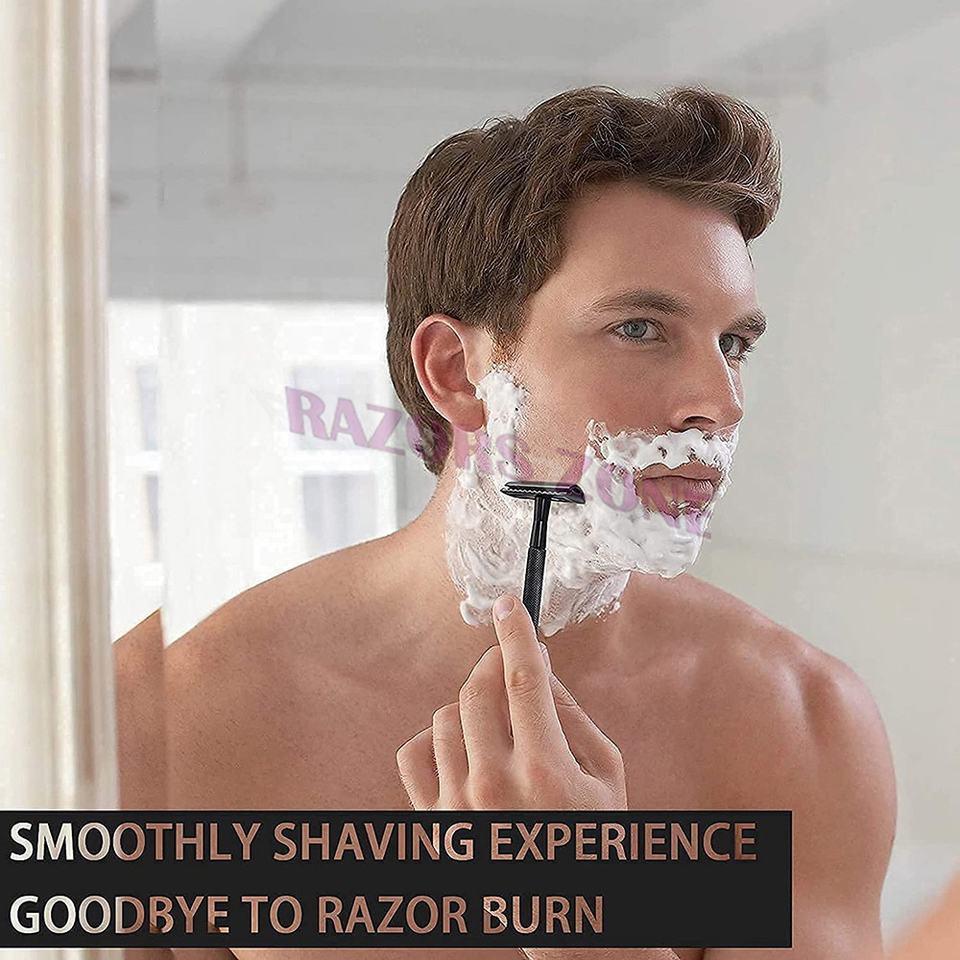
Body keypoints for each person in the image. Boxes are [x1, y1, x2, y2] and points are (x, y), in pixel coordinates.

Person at [116, 85, 897, 960]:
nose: (719, 402)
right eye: (641, 328)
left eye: (735, 344)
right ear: (456, 373)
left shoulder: (797, 719)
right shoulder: (159, 712)